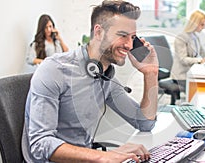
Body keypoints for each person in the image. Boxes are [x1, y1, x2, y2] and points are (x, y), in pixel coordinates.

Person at [21, 1, 159, 163]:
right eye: (122, 35)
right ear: (99, 32)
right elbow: (40, 144)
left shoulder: (105, 77)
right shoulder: (54, 70)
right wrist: (104, 156)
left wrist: (151, 73)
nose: (129, 45)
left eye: (133, 37)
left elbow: (144, 123)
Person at [171, 10, 205, 90]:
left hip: (191, 73)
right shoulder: (181, 37)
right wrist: (200, 60)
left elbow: (204, 54)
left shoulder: (195, 37)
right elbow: (183, 59)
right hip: (181, 76)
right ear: (194, 23)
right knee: (204, 86)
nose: (203, 27)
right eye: (202, 24)